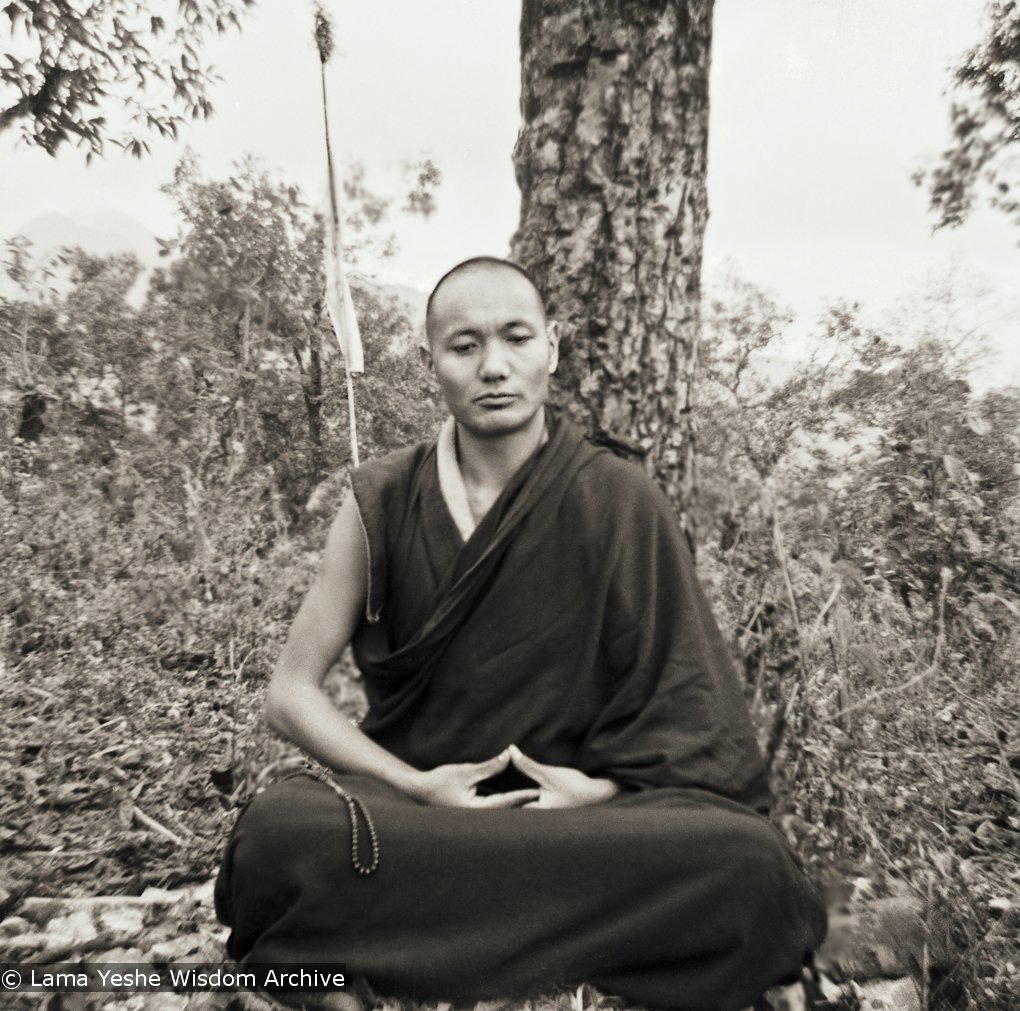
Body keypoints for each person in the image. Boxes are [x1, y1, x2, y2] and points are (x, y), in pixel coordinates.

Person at [214, 257, 828, 1011]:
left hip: (574, 821)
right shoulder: (382, 500)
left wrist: (594, 790)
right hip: (423, 817)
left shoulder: (620, 498)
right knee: (277, 837)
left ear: (553, 346)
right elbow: (289, 693)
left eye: (516, 338)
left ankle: (398, 950)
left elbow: (693, 716)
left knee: (750, 864)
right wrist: (416, 785)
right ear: (429, 361)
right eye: (465, 345)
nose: (494, 367)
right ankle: (557, 944)